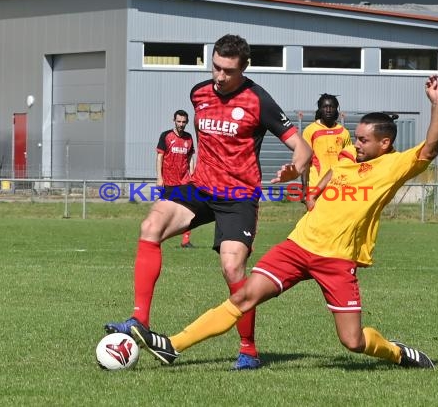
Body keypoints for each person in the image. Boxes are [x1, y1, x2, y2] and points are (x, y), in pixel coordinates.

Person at [128, 75, 438, 370]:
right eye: (356, 138)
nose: (355, 144)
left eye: (363, 140)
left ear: (384, 144)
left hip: (336, 260)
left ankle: (397, 353)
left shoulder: (393, 166)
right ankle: (172, 345)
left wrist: (437, 104)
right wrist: (309, 185)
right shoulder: (349, 155)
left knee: (353, 341)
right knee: (243, 297)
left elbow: (430, 149)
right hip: (297, 247)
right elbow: (336, 170)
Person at [104, 34, 312, 370]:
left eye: (228, 71)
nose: (219, 76)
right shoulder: (199, 93)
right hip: (200, 187)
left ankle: (249, 349)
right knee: (150, 225)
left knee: (232, 268)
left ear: (243, 68)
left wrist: (296, 168)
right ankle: (139, 319)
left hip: (238, 196)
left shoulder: (259, 100)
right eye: (215, 67)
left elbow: (302, 146)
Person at [301, 94, 352, 204]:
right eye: (325, 107)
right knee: (315, 219)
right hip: (316, 184)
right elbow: (304, 160)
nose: (328, 110)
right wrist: (304, 186)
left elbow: (349, 160)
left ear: (336, 109)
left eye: (332, 107)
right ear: (320, 109)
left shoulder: (344, 132)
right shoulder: (310, 130)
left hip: (339, 184)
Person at [156, 109, 196, 248]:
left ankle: (185, 240)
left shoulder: (189, 137)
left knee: (188, 209)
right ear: (173, 120)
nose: (181, 124)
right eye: (178, 121)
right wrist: (159, 177)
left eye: (184, 122)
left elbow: (190, 157)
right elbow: (160, 156)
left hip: (185, 180)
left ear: (187, 122)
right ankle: (157, 237)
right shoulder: (166, 136)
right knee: (164, 210)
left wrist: (192, 175)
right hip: (168, 180)